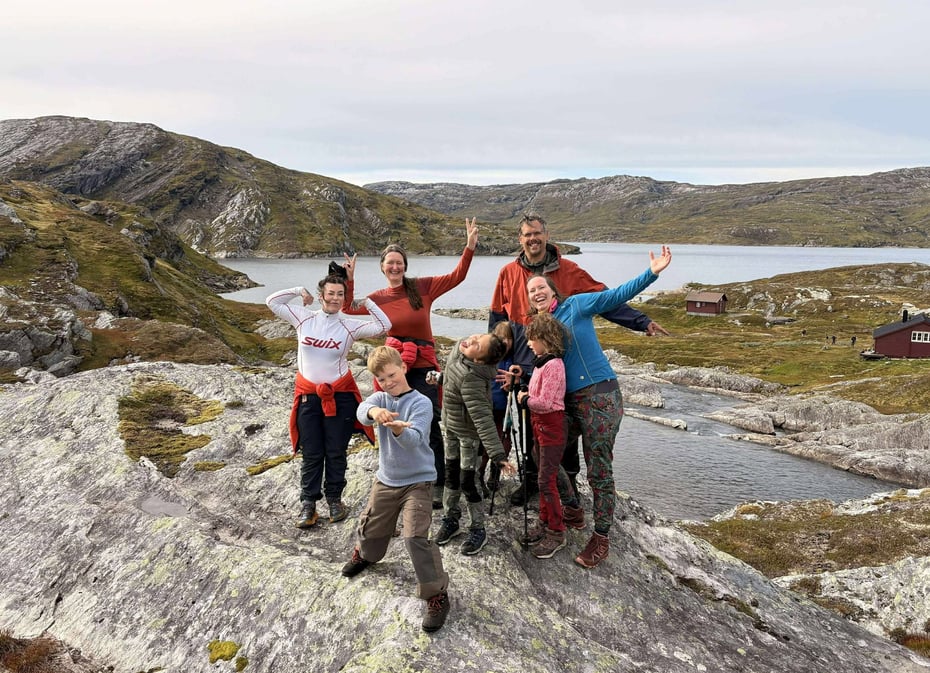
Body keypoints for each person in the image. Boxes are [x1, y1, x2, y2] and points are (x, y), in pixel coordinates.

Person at [489, 212, 668, 504]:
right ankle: (532, 481)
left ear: (546, 236)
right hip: (524, 365)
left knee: (559, 430)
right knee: (532, 429)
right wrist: (499, 363)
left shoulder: (569, 270)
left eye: (537, 233)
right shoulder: (508, 273)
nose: (532, 239)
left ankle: (567, 485)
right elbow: (497, 320)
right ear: (520, 240)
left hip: (559, 368)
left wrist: (640, 321)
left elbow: (606, 299)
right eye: (526, 235)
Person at [525, 244, 672, 568]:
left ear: (552, 291)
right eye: (530, 290)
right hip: (568, 403)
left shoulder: (576, 305)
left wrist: (652, 273)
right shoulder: (538, 328)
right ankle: (574, 509)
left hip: (600, 395)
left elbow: (613, 296)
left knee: (598, 468)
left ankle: (601, 537)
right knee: (542, 454)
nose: (536, 292)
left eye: (540, 287)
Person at [345, 218, 479, 508]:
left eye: (399, 263)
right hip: (394, 366)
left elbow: (457, 276)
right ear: (382, 267)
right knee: (394, 421)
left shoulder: (422, 288)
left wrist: (468, 247)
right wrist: (349, 279)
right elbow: (345, 307)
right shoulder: (376, 298)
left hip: (425, 366)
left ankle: (437, 481)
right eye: (390, 263)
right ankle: (403, 476)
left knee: (429, 423)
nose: (395, 267)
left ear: (405, 266)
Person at [265, 267, 391, 529]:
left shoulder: (349, 325)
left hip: (340, 396)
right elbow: (272, 301)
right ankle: (308, 504)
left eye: (340, 294)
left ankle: (334, 499)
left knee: (335, 451)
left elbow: (384, 326)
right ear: (321, 295)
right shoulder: (303, 318)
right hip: (309, 398)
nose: (335, 298)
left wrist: (367, 302)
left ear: (345, 298)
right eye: (330, 293)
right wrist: (299, 291)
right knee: (311, 453)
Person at [341, 346, 451, 633]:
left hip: (419, 480)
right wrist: (375, 410)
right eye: (381, 378)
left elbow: (415, 440)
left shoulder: (421, 403)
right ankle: (365, 554)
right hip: (387, 478)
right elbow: (361, 410)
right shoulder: (380, 397)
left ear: (403, 367)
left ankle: (436, 593)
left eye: (391, 374)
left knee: (415, 536)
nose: (388, 382)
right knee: (373, 524)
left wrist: (398, 429)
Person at [434, 332, 517, 555]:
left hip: (469, 438)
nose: (471, 339)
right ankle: (451, 518)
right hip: (450, 428)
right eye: (477, 336)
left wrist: (498, 456)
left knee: (468, 481)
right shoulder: (457, 353)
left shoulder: (473, 378)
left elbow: (483, 419)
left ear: (478, 360)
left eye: (477, 345)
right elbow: (452, 379)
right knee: (451, 476)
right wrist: (439, 378)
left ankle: (478, 528)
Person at [515, 312, 569, 559]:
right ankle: (545, 523)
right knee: (542, 478)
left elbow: (547, 403)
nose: (528, 343)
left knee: (546, 482)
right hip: (539, 427)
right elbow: (540, 395)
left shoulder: (554, 365)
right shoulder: (541, 363)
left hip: (551, 427)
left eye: (532, 339)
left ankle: (557, 532)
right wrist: (526, 387)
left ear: (545, 339)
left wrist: (527, 399)